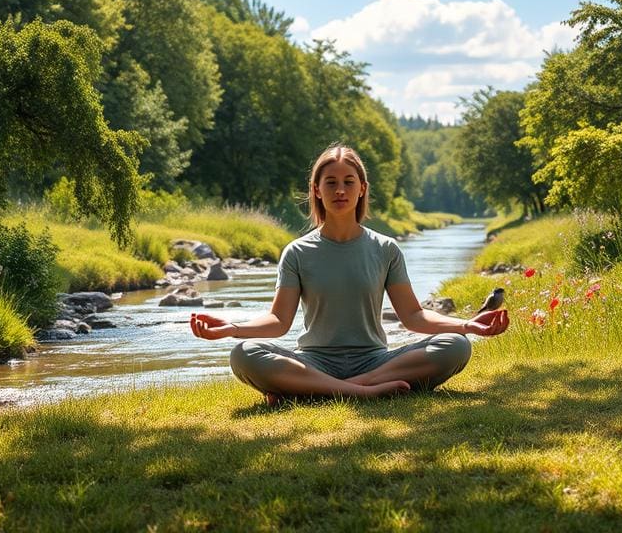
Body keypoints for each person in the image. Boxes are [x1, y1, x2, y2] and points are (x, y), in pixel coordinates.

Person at [189, 144, 509, 403]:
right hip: (314, 360)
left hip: (375, 360)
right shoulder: (297, 252)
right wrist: (233, 328)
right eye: (331, 182)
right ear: (316, 190)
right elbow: (278, 322)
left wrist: (468, 325)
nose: (339, 190)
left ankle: (317, 391)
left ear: (361, 189)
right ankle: (359, 392)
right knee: (244, 354)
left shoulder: (386, 249)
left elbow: (413, 316)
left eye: (348, 182)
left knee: (456, 345)